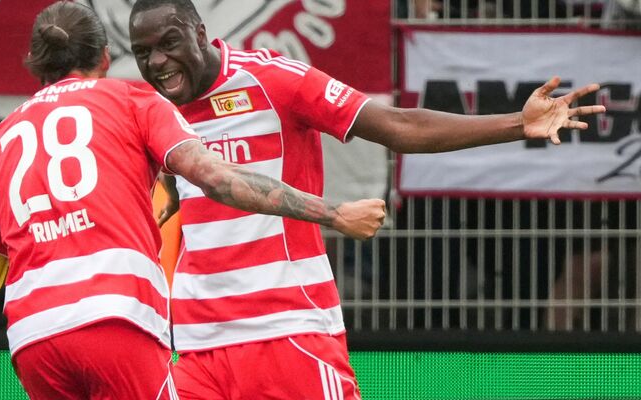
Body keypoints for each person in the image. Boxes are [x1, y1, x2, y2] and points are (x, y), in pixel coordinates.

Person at [127, 1, 607, 398]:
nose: (157, 62)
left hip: (285, 327)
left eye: (169, 44)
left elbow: (398, 127)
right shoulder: (152, 108)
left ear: (200, 32)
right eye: (143, 53)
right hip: (194, 343)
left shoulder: (273, 80)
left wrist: (515, 125)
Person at [0, 2, 385, 399]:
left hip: (33, 339)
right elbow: (217, 178)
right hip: (116, 321)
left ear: (34, 63)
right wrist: (334, 213)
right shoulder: (131, 100)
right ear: (106, 57)